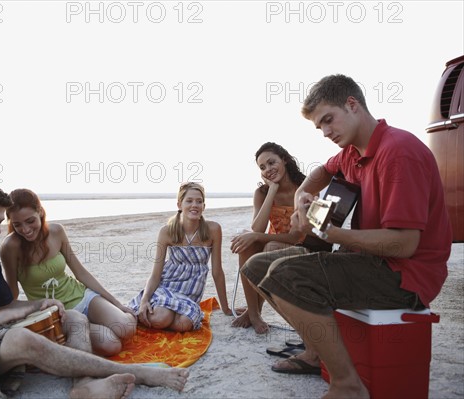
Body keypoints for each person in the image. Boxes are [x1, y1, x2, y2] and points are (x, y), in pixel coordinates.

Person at [241, 74, 451, 398]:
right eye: (319, 126)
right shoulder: (353, 152)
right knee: (256, 266)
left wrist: (331, 232)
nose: (326, 132)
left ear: (352, 105)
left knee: (287, 275)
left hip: (406, 276)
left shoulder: (398, 153)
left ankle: (347, 385)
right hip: (370, 261)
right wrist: (302, 200)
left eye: (328, 120)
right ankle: (315, 352)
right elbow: (319, 174)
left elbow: (405, 245)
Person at [0, 180, 189, 399]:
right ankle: (140, 373)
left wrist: (37, 305)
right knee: (24, 340)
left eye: (0, 222)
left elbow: (4, 306)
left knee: (75, 318)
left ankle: (82, 385)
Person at [0, 188, 137, 357]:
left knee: (126, 328)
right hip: (57, 314)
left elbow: (80, 272)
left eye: (30, 221)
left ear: (40, 212)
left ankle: (110, 317)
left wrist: (117, 303)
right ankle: (89, 329)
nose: (25, 229)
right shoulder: (10, 247)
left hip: (82, 297)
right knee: (111, 345)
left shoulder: (57, 232)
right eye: (17, 224)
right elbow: (12, 293)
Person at [129, 182, 232, 332]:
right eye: (189, 201)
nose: (194, 205)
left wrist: (226, 308)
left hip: (190, 293)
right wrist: (144, 300)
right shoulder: (167, 232)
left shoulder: (213, 229)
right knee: (160, 318)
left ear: (204, 206)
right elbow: (155, 274)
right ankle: (149, 312)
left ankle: (167, 317)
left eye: (199, 201)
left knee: (184, 324)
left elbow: (217, 272)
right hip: (167, 287)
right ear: (179, 204)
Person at [229, 142, 306, 334]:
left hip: (302, 244)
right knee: (246, 244)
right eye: (262, 167)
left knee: (269, 245)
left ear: (285, 160)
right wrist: (271, 191)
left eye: (272, 163)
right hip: (271, 240)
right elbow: (258, 227)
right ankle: (253, 312)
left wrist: (255, 235)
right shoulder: (262, 192)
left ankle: (256, 309)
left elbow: (297, 235)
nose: (268, 169)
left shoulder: (304, 187)